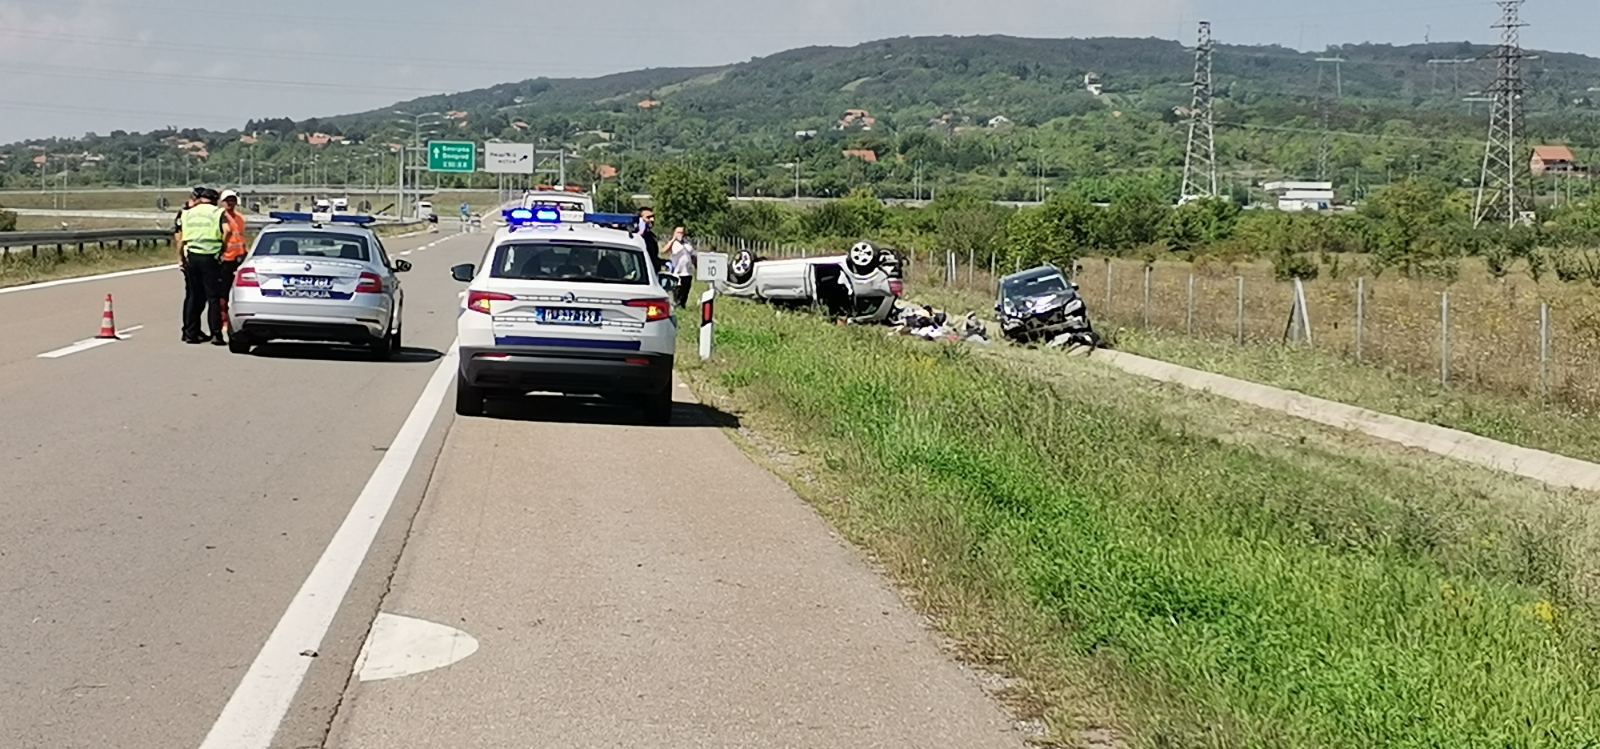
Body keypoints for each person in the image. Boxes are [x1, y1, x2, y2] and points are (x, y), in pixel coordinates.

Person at [176, 187, 229, 345]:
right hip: (211, 255)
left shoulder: (187, 213)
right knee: (213, 297)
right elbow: (227, 231)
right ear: (214, 200)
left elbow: (181, 238)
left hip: (192, 255)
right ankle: (216, 334)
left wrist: (181, 259)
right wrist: (222, 249)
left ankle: (190, 333)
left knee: (193, 295)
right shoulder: (217, 212)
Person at [218, 189, 248, 336]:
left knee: (236, 292)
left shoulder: (240, 218)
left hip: (239, 258)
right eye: (227, 200)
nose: (230, 203)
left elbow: (241, 237)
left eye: (233, 200)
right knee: (223, 292)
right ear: (223, 202)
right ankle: (223, 321)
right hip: (226, 258)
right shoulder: (221, 217)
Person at [663, 226, 695, 309]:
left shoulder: (688, 244)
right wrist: (673, 239)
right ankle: (676, 305)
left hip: (687, 272)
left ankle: (682, 306)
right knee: (677, 291)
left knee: (685, 291)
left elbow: (692, 256)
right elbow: (664, 251)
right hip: (677, 273)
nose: (680, 234)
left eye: (682, 232)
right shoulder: (673, 244)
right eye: (678, 232)